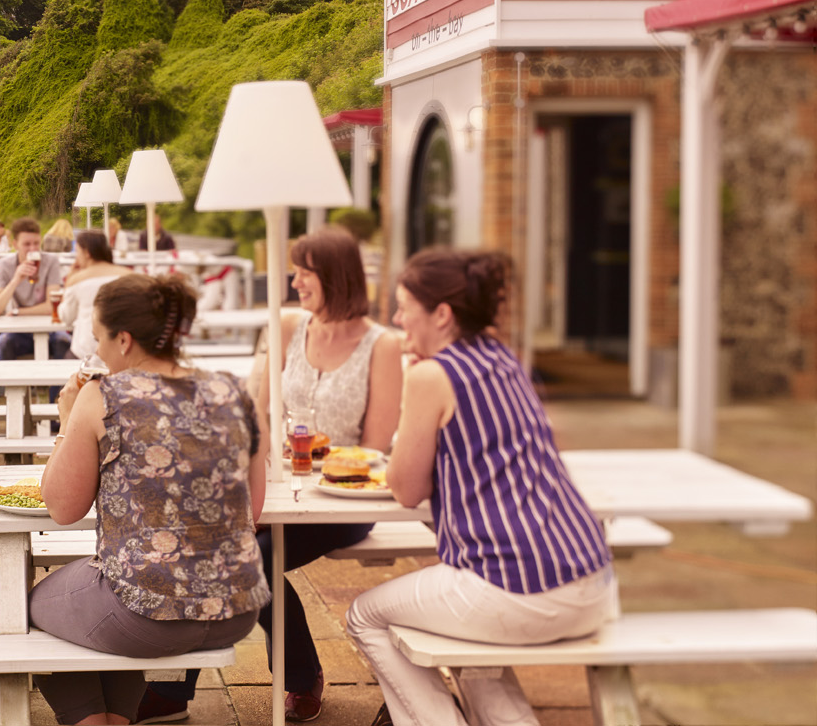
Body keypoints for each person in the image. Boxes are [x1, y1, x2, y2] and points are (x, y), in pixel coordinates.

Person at [346, 250, 616, 726]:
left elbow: (406, 489)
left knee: (364, 615)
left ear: (442, 315)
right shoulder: (500, 355)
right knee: (464, 632)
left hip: (521, 591)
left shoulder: (431, 375)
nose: (396, 318)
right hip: (591, 582)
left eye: (404, 305)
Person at [29, 273, 269, 726]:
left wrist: (66, 419)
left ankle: (90, 720)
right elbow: (251, 510)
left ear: (123, 339)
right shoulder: (235, 391)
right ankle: (119, 718)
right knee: (122, 596)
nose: (95, 352)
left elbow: (61, 509)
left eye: (98, 339)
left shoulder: (103, 396)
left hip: (148, 618)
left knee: (36, 606)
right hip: (238, 607)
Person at [208, 228, 403, 722]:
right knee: (213, 549)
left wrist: (314, 464)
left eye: (303, 272)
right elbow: (263, 410)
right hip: (276, 487)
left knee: (247, 559)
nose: (294, 282)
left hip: (344, 500)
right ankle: (177, 685)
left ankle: (294, 677)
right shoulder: (291, 326)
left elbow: (374, 447)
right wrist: (265, 467)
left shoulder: (382, 346)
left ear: (335, 277)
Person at [0, 217, 71, 360]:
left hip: (49, 328)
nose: (33, 249)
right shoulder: (5, 265)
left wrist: (18, 312)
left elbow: (51, 307)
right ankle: (12, 383)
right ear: (15, 244)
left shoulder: (50, 261)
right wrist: (16, 279)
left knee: (64, 343)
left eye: (36, 243)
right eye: (27, 244)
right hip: (19, 330)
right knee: (4, 344)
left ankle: (58, 383)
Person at [57, 230, 124, 360]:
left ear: (87, 253)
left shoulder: (78, 279)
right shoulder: (128, 275)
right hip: (122, 352)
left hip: (85, 352)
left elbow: (66, 317)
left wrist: (70, 278)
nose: (76, 257)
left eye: (77, 252)